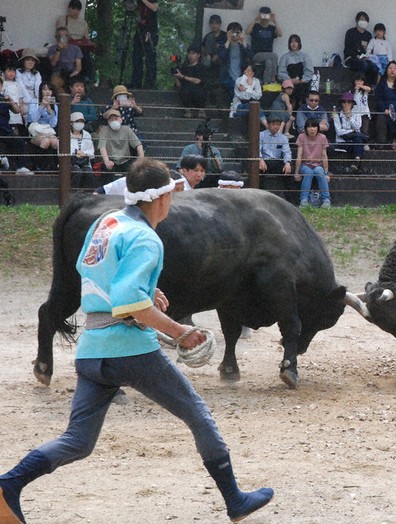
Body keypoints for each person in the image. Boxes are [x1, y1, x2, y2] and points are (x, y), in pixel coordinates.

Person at [0, 158, 274, 524]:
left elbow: (90, 272)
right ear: (162, 199)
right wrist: (180, 332)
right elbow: (130, 302)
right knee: (199, 415)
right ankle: (235, 501)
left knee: (77, 442)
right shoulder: (147, 238)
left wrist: (147, 289)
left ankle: (8, 485)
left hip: (92, 349)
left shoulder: (106, 222)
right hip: (129, 350)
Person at [97, 108, 144, 178]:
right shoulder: (104, 130)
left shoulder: (126, 129)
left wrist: (141, 160)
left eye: (116, 119)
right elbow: (102, 147)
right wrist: (107, 161)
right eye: (111, 120)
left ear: (121, 120)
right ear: (108, 122)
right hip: (111, 160)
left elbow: (138, 145)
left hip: (125, 160)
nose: (114, 121)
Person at [258, 114, 295, 201]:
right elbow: (257, 149)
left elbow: (287, 151)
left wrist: (288, 162)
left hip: (277, 162)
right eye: (273, 124)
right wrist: (260, 159)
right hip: (265, 161)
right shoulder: (261, 135)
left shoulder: (283, 138)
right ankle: (259, 195)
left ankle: (289, 198)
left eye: (278, 124)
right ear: (268, 124)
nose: (276, 127)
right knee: (258, 169)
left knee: (290, 170)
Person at [295, 118, 331, 208]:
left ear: (318, 128)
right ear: (306, 128)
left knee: (319, 172)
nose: (312, 129)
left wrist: (326, 172)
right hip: (305, 164)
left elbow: (324, 156)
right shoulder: (301, 137)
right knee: (308, 173)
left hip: (318, 164)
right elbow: (299, 155)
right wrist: (297, 172)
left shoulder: (322, 138)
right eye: (309, 127)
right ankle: (304, 199)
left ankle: (326, 199)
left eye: (314, 126)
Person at [374, 61, 396, 150]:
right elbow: (378, 99)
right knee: (382, 117)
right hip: (385, 110)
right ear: (386, 70)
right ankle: (381, 143)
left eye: (394, 68)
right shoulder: (382, 84)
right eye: (390, 68)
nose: (392, 70)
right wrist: (385, 109)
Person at [56, 0, 95, 79]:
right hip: (67, 43)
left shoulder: (83, 22)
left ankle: (86, 78)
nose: (73, 11)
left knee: (85, 55)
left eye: (76, 9)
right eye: (71, 9)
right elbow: (60, 34)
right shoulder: (62, 19)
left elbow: (86, 38)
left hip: (80, 45)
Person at [27, 82, 60, 171]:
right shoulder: (34, 101)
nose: (47, 92)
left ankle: (54, 165)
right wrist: (42, 106)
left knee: (55, 142)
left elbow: (53, 124)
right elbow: (33, 119)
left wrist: (50, 110)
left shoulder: (55, 105)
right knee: (45, 142)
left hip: (48, 130)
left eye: (49, 90)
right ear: (40, 91)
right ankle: (40, 165)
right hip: (36, 130)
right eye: (44, 89)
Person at [246, 6, 283, 85]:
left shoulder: (272, 28)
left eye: (267, 15)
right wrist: (255, 20)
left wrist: (274, 20)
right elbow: (247, 32)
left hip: (268, 55)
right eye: (263, 14)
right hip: (256, 55)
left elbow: (280, 34)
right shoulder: (256, 26)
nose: (265, 17)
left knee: (269, 62)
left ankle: (266, 83)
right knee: (275, 56)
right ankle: (273, 79)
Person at [333, 92, 368, 172]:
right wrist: (351, 130)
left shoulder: (356, 114)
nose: (346, 104)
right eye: (344, 102)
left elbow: (358, 126)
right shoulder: (337, 115)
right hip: (342, 142)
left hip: (354, 141)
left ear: (352, 104)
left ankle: (356, 160)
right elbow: (339, 132)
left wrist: (349, 117)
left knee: (358, 139)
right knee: (359, 139)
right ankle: (357, 162)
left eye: (348, 102)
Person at [343, 12, 379, 86]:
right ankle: (359, 85)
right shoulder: (350, 32)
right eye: (362, 19)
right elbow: (347, 48)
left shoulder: (368, 35)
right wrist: (357, 56)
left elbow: (370, 49)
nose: (364, 21)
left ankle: (371, 87)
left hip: (365, 58)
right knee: (363, 65)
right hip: (351, 58)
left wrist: (367, 56)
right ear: (357, 21)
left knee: (375, 67)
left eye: (366, 20)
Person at [277, 34, 312, 108]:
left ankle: (301, 111)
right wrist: (290, 80)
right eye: (292, 42)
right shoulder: (284, 57)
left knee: (302, 90)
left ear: (299, 43)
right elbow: (281, 72)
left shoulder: (305, 56)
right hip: (289, 83)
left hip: (302, 82)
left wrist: (303, 79)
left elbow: (309, 71)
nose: (294, 44)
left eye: (296, 42)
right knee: (290, 89)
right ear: (289, 44)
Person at [218, 22, 252, 97]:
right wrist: (228, 40)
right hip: (227, 76)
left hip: (241, 75)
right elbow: (222, 56)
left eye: (237, 32)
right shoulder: (223, 45)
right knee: (234, 87)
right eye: (232, 32)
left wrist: (243, 41)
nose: (234, 35)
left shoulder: (242, 46)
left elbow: (250, 55)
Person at [130, 0, 159, 89]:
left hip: (150, 31)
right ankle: (136, 83)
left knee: (150, 58)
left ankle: (149, 84)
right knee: (136, 57)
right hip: (140, 30)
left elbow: (155, 8)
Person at [174, 44, 207, 119]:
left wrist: (183, 77)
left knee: (200, 92)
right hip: (186, 93)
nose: (191, 56)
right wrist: (176, 76)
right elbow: (179, 86)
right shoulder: (184, 68)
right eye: (189, 53)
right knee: (185, 91)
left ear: (198, 55)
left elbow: (198, 81)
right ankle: (187, 111)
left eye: (193, 53)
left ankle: (201, 111)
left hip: (199, 93)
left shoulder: (202, 67)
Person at [47, 26, 83, 94]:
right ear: (56, 37)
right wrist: (59, 49)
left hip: (72, 73)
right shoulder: (52, 48)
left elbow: (78, 67)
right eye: (60, 36)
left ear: (68, 37)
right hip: (58, 74)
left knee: (78, 87)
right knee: (55, 84)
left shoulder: (76, 49)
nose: (62, 38)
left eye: (65, 36)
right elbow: (53, 63)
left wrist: (74, 74)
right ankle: (64, 99)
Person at [69, 111, 95, 188]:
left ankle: (87, 193)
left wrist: (84, 154)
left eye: (81, 121)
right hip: (71, 162)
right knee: (77, 172)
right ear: (71, 123)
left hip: (85, 162)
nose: (79, 123)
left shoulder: (87, 134)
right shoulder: (66, 134)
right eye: (77, 121)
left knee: (88, 173)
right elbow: (61, 151)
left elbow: (91, 151)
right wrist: (75, 153)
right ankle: (73, 192)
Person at [16, 49, 43, 120]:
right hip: (21, 97)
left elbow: (38, 87)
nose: (30, 62)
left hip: (34, 97)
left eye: (33, 60)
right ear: (23, 61)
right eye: (28, 59)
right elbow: (21, 86)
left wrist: (38, 100)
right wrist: (29, 100)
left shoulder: (37, 73)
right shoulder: (18, 71)